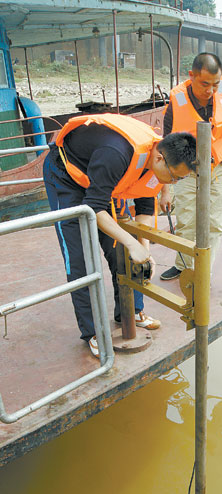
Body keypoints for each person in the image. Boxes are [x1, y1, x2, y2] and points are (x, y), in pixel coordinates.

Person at [43, 113, 197, 357]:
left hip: (105, 180)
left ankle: (132, 311)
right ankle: (93, 331)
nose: (175, 182)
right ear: (159, 158)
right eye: (175, 177)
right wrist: (130, 241)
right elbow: (94, 207)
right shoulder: (116, 154)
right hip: (68, 177)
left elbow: (146, 208)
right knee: (80, 259)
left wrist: (142, 250)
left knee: (123, 253)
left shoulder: (156, 161)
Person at [159, 52, 222, 280]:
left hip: (218, 169)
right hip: (186, 170)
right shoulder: (176, 102)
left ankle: (203, 273)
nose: (210, 90)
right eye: (204, 84)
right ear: (191, 76)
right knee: (186, 220)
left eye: (215, 84)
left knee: (214, 223)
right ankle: (183, 266)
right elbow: (165, 148)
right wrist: (165, 190)